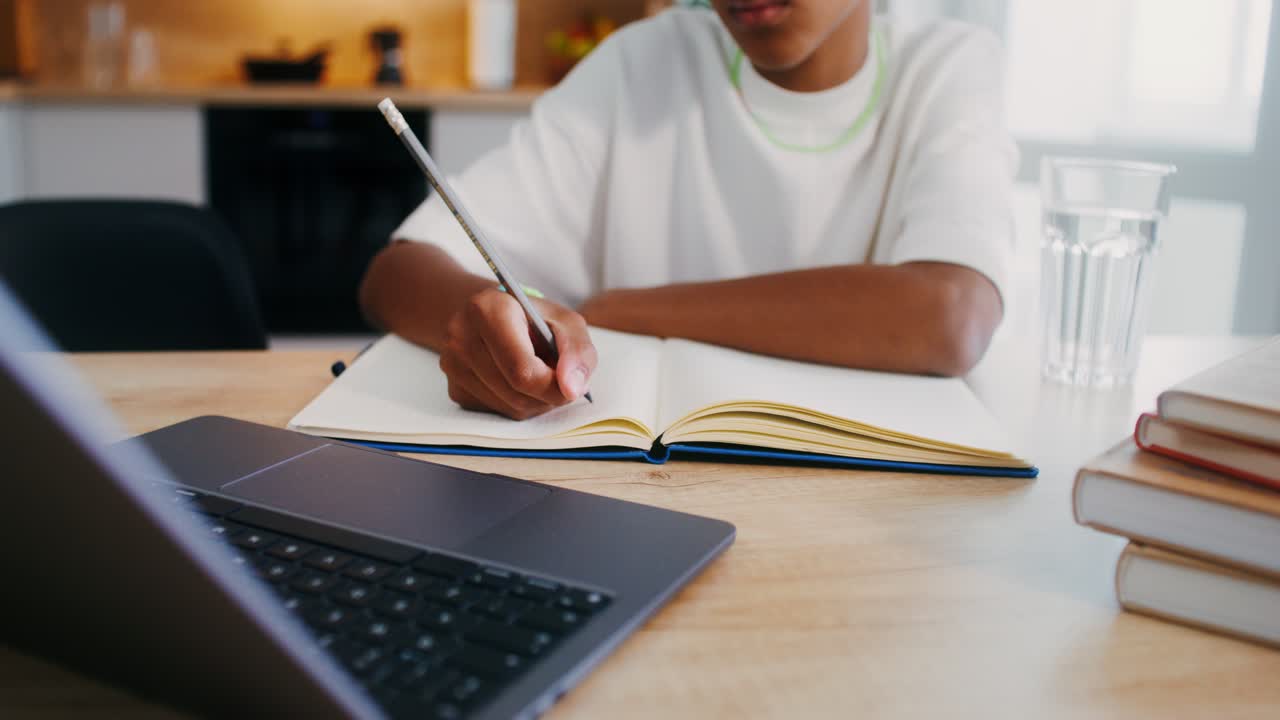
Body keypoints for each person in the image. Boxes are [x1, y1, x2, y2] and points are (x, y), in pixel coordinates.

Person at [359, 0, 1017, 420]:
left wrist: (615, 311)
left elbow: (950, 316)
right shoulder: (642, 61)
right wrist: (490, 326)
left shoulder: (948, 66)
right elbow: (395, 275)